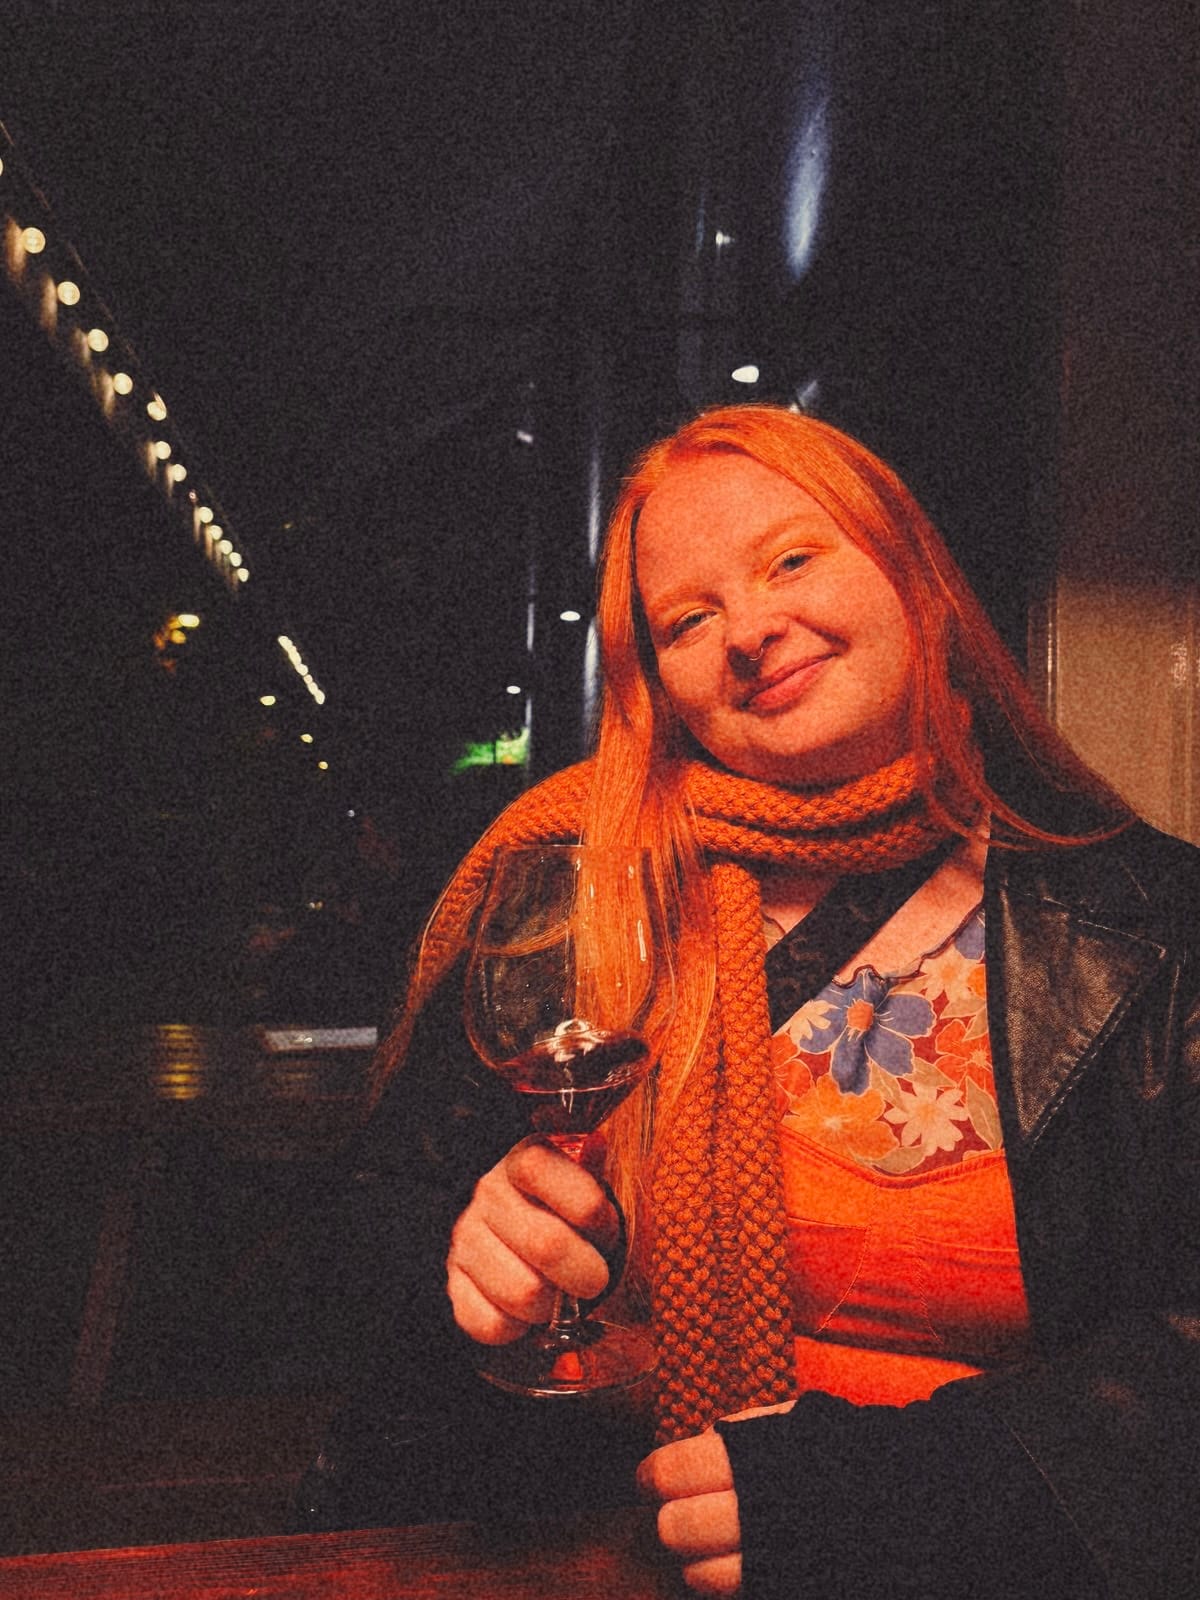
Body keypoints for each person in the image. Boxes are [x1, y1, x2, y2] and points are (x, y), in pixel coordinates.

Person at [357, 404, 1199, 1597]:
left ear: (915, 577)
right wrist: (468, 1261)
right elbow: (376, 1252)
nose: (749, 630)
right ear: (659, 684)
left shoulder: (1157, 932)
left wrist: (931, 1495)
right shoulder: (568, 896)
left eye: (792, 559)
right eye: (688, 620)